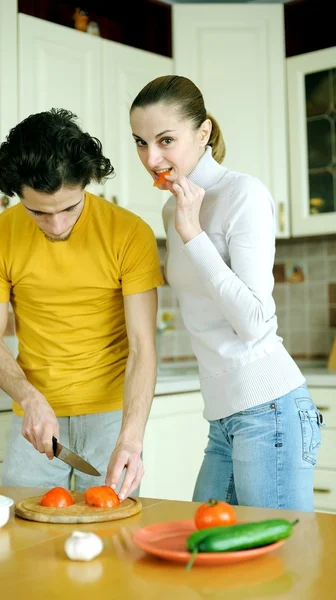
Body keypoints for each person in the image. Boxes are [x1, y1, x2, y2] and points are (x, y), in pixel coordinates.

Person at [129, 75, 323, 511]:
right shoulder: (171, 209)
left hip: (268, 409)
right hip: (223, 415)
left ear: (203, 134)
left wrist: (194, 234)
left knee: (276, 566)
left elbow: (254, 323)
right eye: (140, 143)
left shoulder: (243, 194)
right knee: (206, 552)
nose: (152, 157)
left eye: (165, 140)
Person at [0, 108, 164, 500]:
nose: (57, 225)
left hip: (114, 416)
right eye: (39, 212)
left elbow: (143, 346)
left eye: (69, 208)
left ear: (87, 183)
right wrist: (29, 398)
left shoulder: (130, 234)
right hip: (35, 417)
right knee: (24, 539)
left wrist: (131, 438)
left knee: (114, 541)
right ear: (16, 195)